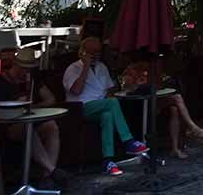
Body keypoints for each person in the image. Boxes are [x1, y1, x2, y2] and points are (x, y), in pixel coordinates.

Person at [63, 37, 148, 176]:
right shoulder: (72, 69)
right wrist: (85, 67)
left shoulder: (102, 67)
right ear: (82, 52)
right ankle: (128, 141)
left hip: (100, 106)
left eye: (98, 52)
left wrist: (127, 88)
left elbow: (109, 90)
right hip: (79, 108)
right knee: (112, 103)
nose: (96, 55)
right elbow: (76, 91)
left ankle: (107, 161)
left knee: (107, 115)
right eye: (92, 52)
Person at [0, 46, 66, 189]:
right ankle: (53, 171)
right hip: (8, 125)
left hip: (28, 119)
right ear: (15, 64)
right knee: (28, 128)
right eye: (23, 68)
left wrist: (32, 107)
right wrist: (14, 107)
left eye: (28, 68)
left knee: (51, 126)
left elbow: (51, 99)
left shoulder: (31, 79)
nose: (25, 71)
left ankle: (47, 177)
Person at [120, 61, 203, 159]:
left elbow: (157, 86)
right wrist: (137, 82)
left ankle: (175, 149)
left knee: (174, 109)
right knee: (177, 97)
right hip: (138, 104)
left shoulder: (151, 67)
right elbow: (127, 89)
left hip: (153, 102)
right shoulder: (130, 70)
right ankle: (193, 127)